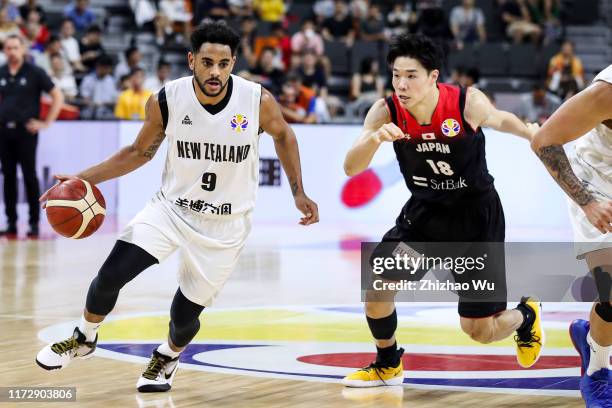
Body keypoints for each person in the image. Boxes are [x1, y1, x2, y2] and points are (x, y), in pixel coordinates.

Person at [35, 22, 319, 393]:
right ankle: (85, 337)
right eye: (207, 62)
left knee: (183, 318)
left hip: (224, 225)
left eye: (223, 63)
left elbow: (284, 134)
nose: (215, 71)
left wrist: (298, 191)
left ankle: (168, 355)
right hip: (170, 210)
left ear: (233, 63)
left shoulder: (256, 100)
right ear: (191, 61)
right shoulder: (168, 99)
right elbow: (138, 153)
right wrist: (83, 178)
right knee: (110, 276)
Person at [342, 33, 542, 387]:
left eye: (411, 75)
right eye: (396, 75)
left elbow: (501, 119)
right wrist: (373, 140)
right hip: (424, 216)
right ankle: (388, 361)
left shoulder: (465, 102)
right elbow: (351, 168)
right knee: (376, 288)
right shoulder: (385, 111)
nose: (401, 84)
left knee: (480, 330)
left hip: (476, 219)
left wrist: (532, 134)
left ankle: (526, 315)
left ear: (434, 76)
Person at [530, 64, 611, 407]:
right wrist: (588, 203)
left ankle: (586, 333)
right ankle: (597, 368)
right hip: (596, 186)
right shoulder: (607, 93)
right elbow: (544, 140)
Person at [0, 35, 63, 238]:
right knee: (8, 176)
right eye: (8, 48)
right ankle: (10, 222)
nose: (12, 52)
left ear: (23, 49)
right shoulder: (1, 72)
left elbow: (57, 96)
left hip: (26, 131)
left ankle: (34, 222)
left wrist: (46, 123)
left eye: (15, 47)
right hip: (3, 131)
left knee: (29, 176)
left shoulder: (34, 72)